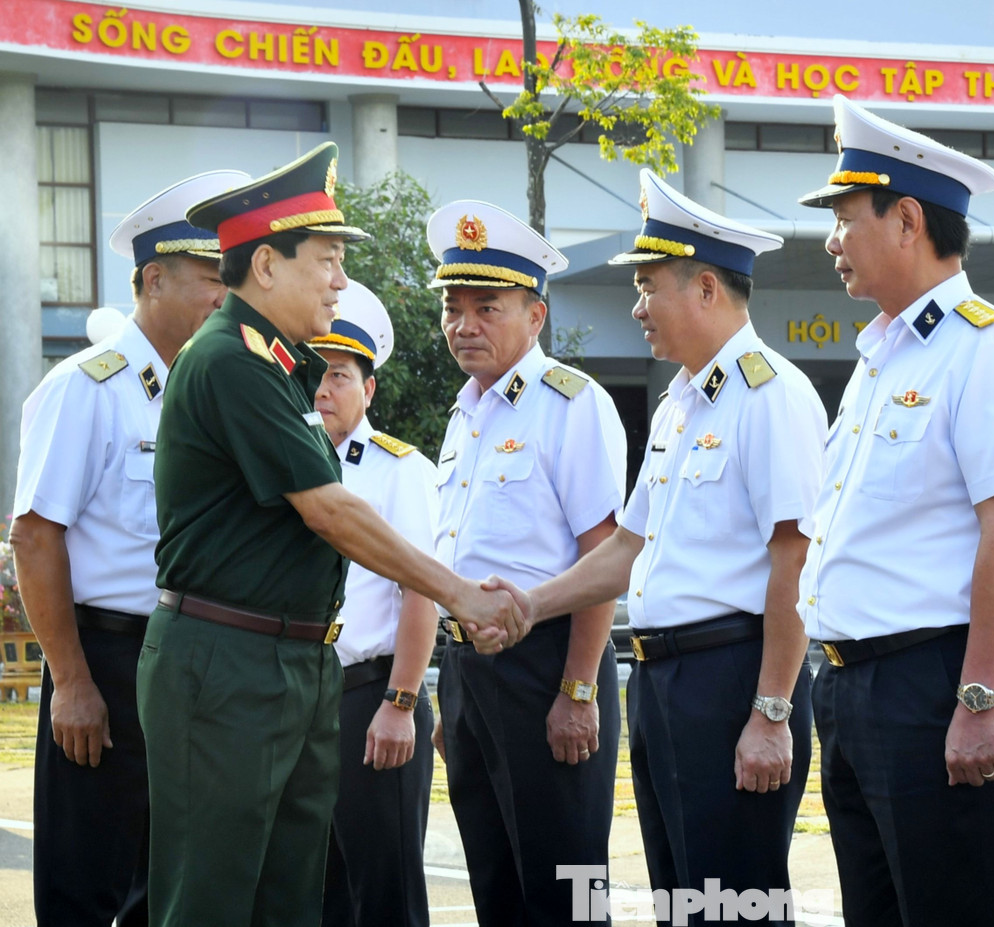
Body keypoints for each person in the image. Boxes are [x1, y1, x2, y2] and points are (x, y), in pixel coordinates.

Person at [136, 141, 523, 927]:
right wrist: (456, 594)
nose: (341, 281)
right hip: (228, 666)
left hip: (286, 661)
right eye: (328, 259)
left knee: (289, 899)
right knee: (208, 898)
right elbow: (329, 509)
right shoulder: (230, 361)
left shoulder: (277, 366)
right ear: (269, 267)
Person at [493, 168, 827, 926]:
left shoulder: (770, 394)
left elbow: (793, 559)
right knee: (684, 902)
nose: (637, 309)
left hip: (732, 678)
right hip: (662, 684)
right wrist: (532, 604)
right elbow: (625, 549)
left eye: (649, 288)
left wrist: (771, 711)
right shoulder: (681, 403)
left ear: (706, 288)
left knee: (734, 904)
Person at [795, 95, 994, 927]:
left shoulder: (986, 348)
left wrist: (978, 695)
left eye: (844, 217)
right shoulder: (878, 358)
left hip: (933, 682)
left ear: (907, 219)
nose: (831, 240)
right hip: (851, 684)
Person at [10, 168, 248, 927]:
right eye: (212, 279)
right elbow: (36, 535)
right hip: (108, 662)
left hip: (196, 665)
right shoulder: (86, 387)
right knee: (87, 880)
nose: (225, 297)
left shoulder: (210, 390)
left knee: (173, 884)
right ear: (152, 279)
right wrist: (72, 682)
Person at [425, 200, 628, 925]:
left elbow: (602, 554)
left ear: (536, 316)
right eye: (453, 306)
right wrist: (456, 693)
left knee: (564, 889)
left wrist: (578, 688)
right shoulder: (465, 414)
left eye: (488, 307)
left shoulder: (571, 405)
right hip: (471, 672)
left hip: (546, 664)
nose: (464, 325)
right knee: (497, 883)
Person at [308, 280, 439, 927]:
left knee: (383, 891)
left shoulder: (398, 469)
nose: (322, 389)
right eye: (313, 374)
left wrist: (401, 701)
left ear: (370, 388)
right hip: (302, 697)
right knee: (315, 891)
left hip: (371, 694)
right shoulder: (293, 466)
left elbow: (420, 589)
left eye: (337, 375)